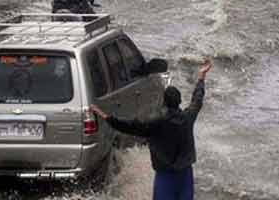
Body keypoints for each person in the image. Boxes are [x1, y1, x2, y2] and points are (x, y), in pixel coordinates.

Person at [90, 59, 212, 200]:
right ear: (179, 102)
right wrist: (201, 76)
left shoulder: (155, 124)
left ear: (164, 103)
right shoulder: (188, 118)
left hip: (165, 177)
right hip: (185, 175)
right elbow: (197, 100)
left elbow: (129, 126)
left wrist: (103, 115)